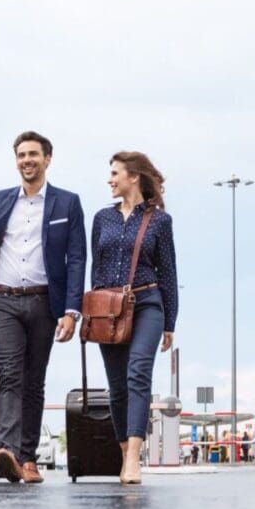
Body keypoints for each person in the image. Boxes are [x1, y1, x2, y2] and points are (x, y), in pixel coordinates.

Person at [0, 131, 87, 484]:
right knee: (10, 374)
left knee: (34, 381)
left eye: (33, 154)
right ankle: (9, 451)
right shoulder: (0, 201)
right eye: (21, 155)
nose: (26, 160)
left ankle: (28, 460)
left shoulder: (67, 203)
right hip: (4, 301)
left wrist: (72, 311)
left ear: (47, 159)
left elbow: (77, 259)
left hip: (45, 302)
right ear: (16, 161)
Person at [89, 151, 178, 485]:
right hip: (108, 308)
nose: (110, 180)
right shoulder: (102, 218)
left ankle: (132, 459)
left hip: (147, 303)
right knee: (116, 387)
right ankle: (124, 449)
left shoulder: (159, 221)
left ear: (134, 177)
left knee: (138, 373)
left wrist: (170, 321)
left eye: (115, 173)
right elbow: (95, 269)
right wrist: (93, 311)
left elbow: (168, 272)